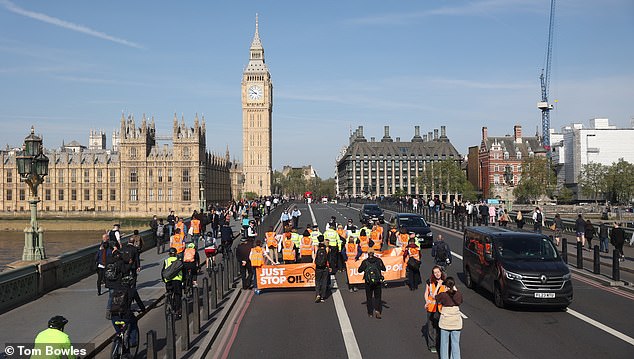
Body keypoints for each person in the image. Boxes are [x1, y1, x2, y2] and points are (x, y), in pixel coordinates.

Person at [436, 277, 463, 359]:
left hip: (445, 322)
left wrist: (438, 286)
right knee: (455, 344)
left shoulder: (443, 295)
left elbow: (435, 297)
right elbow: (460, 300)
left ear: (446, 286)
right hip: (456, 322)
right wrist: (455, 289)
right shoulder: (458, 294)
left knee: (444, 344)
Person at [358, 247, 386, 319]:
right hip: (377, 281)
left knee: (369, 297)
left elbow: (359, 270)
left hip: (368, 282)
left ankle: (370, 312)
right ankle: (377, 310)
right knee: (378, 297)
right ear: (374, 253)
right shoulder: (378, 260)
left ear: (368, 253)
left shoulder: (365, 262)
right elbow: (384, 268)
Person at [424, 265, 447, 353]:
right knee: (431, 327)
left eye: (438, 272)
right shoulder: (429, 281)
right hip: (431, 307)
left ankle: (440, 343)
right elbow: (427, 293)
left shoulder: (445, 282)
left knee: (440, 327)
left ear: (441, 272)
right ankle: (432, 345)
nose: (437, 274)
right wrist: (427, 301)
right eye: (435, 273)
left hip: (441, 308)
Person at [162, 247, 182, 318]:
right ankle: (178, 311)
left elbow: (163, 271)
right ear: (176, 254)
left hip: (168, 281)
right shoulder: (179, 261)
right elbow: (184, 272)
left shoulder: (166, 261)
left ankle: (169, 301)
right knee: (177, 295)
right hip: (177, 280)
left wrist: (164, 280)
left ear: (169, 254)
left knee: (169, 291)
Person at [314, 236, 330, 303]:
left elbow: (315, 257)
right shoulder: (327, 249)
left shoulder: (316, 248)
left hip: (318, 267)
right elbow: (329, 258)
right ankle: (323, 296)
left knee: (317, 281)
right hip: (325, 267)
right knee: (324, 281)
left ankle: (318, 294)